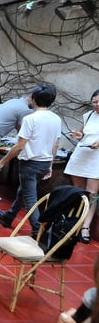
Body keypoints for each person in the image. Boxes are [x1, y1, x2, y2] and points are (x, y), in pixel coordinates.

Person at [0, 84, 61, 236]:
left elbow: (19, 146)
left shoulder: (30, 119)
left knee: (30, 198)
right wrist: (50, 165)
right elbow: (55, 144)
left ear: (34, 99)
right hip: (44, 162)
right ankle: (9, 216)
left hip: (30, 164)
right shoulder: (56, 119)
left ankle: (37, 230)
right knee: (24, 190)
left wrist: (2, 162)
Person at [66, 88, 99, 243]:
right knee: (78, 190)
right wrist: (78, 135)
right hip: (82, 153)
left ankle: (86, 226)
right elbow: (83, 134)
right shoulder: (89, 115)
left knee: (92, 193)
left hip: (96, 157)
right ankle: (75, 221)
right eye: (94, 101)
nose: (97, 104)